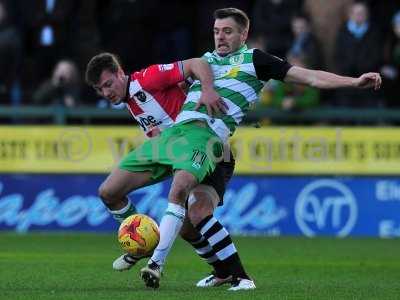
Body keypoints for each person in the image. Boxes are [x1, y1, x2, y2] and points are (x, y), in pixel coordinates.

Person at [118, 7, 379, 290]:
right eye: (217, 31)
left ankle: (195, 270)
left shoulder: (254, 60)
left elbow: (310, 77)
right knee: (193, 219)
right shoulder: (203, 62)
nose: (220, 37)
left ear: (244, 34)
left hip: (212, 145)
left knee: (186, 201)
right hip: (190, 142)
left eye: (228, 31)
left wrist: (353, 82)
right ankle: (223, 272)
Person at [85, 53, 254, 290]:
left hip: (206, 148)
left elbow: (197, 63)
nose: (105, 93)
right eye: (100, 89)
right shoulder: (131, 101)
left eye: (108, 84)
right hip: (170, 150)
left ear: (120, 73)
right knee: (109, 192)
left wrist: (207, 90)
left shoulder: (149, 78)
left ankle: (230, 272)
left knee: (191, 222)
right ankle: (143, 243)